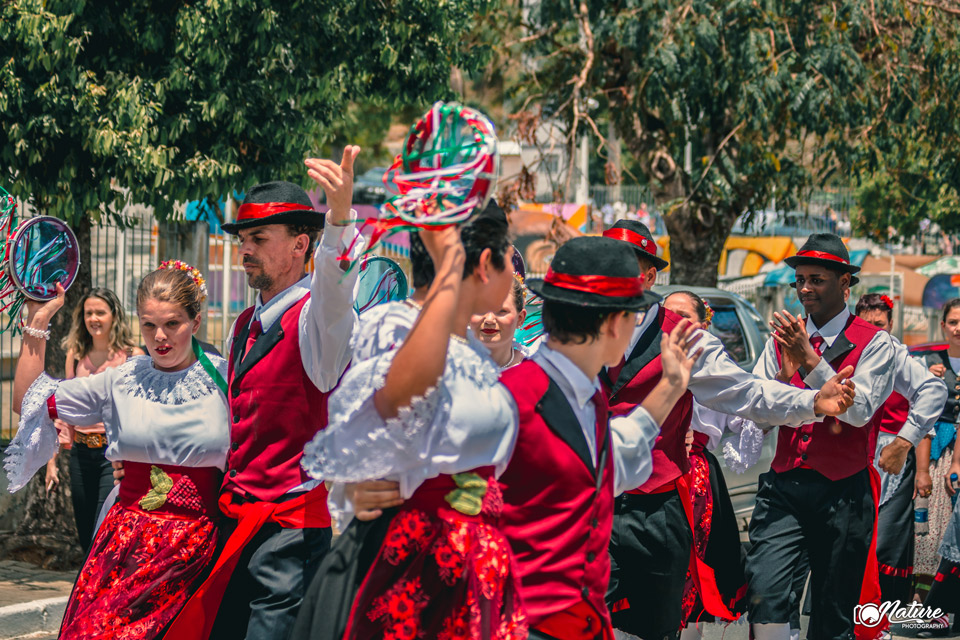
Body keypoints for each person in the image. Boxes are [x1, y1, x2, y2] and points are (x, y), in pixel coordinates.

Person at [600, 223, 857, 640]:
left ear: (648, 276)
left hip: (656, 507)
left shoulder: (685, 337)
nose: (606, 274)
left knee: (654, 628)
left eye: (621, 265)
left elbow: (745, 393)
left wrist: (812, 402)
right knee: (577, 619)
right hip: (591, 502)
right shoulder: (575, 322)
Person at [296, 202, 528, 639]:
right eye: (504, 258)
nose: (511, 274)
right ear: (480, 264)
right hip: (417, 564)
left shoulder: (469, 349)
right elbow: (387, 414)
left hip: (467, 560)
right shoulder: (398, 327)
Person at [163, 153, 366, 640]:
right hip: (234, 522)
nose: (244, 250)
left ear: (300, 245)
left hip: (290, 531)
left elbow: (337, 294)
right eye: (243, 240)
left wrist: (340, 221)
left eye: (258, 239)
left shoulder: (320, 324)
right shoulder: (240, 327)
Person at [5, 263, 229, 640]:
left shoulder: (226, 378)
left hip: (198, 548)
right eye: (148, 325)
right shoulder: (123, 378)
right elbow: (29, 401)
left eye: (173, 323)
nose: (160, 336)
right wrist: (37, 318)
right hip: (127, 544)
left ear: (197, 320)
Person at [497, 236, 700, 640]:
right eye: (633, 313)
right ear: (613, 323)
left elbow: (610, 461)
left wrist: (670, 388)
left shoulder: (583, 394)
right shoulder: (513, 397)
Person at [745, 234, 930, 640]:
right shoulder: (783, 339)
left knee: (835, 611)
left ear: (845, 283)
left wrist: (904, 439)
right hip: (785, 486)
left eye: (817, 279)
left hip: (844, 492)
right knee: (765, 592)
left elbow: (859, 410)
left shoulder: (875, 343)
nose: (805, 289)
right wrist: (781, 374)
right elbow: (755, 406)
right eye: (800, 280)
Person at [661, 291, 751, 640]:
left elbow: (743, 412)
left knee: (695, 563)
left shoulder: (715, 362)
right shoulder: (643, 356)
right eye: (666, 315)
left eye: (684, 315)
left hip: (694, 474)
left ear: (704, 323)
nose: (674, 322)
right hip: (650, 468)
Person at [855, 294, 944, 605]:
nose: (873, 330)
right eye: (866, 324)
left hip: (895, 456)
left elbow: (924, 419)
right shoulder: (847, 360)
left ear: (890, 325)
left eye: (879, 324)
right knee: (852, 535)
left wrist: (921, 471)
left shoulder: (904, 362)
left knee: (886, 538)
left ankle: (880, 607)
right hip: (856, 453)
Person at [45, 288, 143, 552]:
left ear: (114, 316)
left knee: (103, 531)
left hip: (112, 457)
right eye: (89, 313)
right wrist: (52, 462)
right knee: (85, 531)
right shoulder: (76, 355)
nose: (94, 318)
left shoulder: (133, 356)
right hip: (80, 454)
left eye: (101, 312)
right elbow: (64, 411)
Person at [915, 299, 960, 608]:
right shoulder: (929, 361)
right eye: (954, 321)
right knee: (929, 526)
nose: (959, 328)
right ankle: (924, 599)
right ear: (943, 325)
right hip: (936, 449)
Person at [470, 275, 528, 369]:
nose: (489, 320)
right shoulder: (449, 367)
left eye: (501, 311)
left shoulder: (533, 373)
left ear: (520, 318)